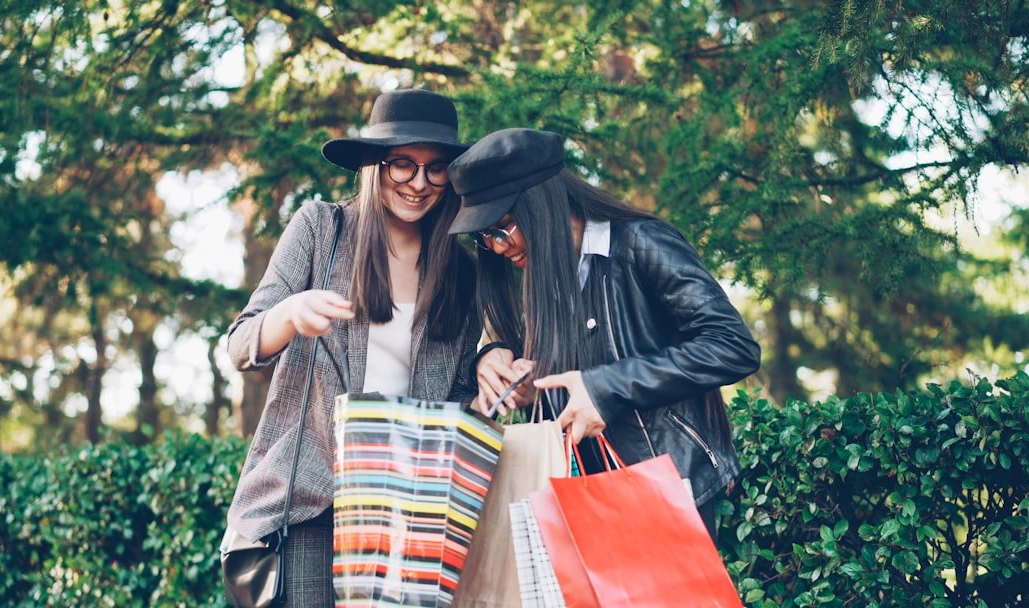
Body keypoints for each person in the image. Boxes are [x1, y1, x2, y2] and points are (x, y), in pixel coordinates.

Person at [225, 89, 480, 606]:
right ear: (372, 165)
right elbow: (240, 345)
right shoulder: (322, 229)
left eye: (435, 169)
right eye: (402, 165)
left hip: (409, 515)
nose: (418, 183)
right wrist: (288, 315)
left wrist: (491, 371)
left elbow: (460, 397)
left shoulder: (464, 270)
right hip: (311, 506)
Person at [448, 128, 761, 539]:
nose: (499, 247)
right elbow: (554, 377)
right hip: (578, 501)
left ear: (541, 204)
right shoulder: (545, 279)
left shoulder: (641, 244)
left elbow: (732, 345)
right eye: (485, 237)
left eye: (503, 228)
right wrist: (503, 362)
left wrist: (606, 388)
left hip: (663, 489)